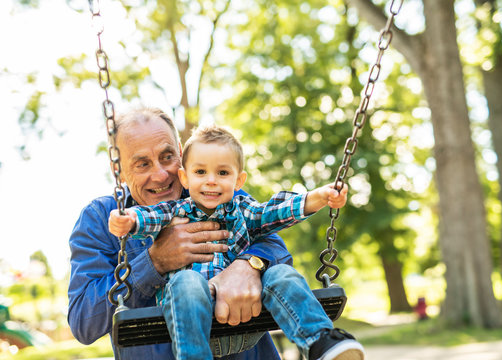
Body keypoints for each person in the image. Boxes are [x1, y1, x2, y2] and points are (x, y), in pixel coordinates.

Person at [108, 125, 365, 360]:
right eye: (200, 172)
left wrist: (318, 198)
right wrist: (128, 219)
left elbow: (276, 212)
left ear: (238, 180)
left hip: (246, 320)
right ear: (185, 178)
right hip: (196, 320)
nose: (211, 180)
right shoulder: (175, 211)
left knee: (282, 274)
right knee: (185, 282)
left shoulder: (244, 210)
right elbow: (150, 216)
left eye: (222, 172)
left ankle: (321, 342)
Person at [68, 108, 293, 359]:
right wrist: (154, 262)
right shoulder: (100, 218)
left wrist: (248, 266)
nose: (161, 174)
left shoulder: (213, 192)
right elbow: (82, 322)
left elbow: (276, 248)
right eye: (142, 164)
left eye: (167, 157)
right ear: (117, 169)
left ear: (180, 152)